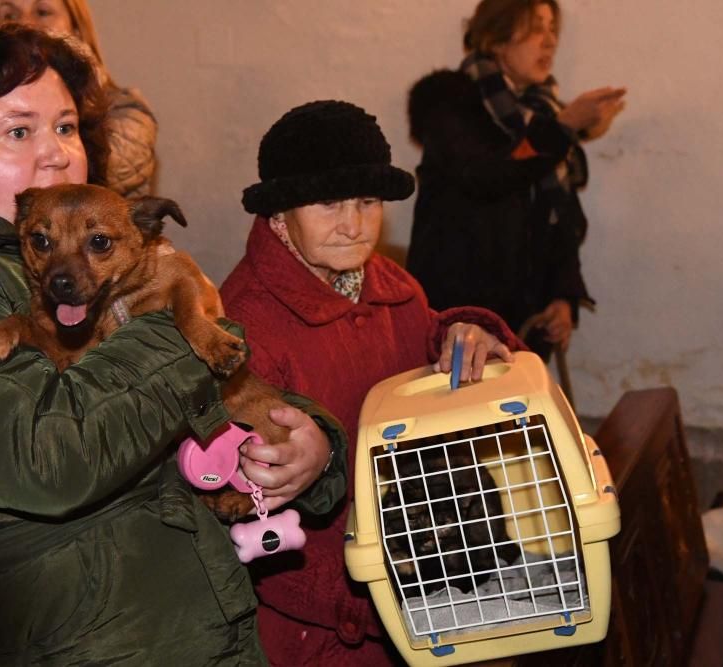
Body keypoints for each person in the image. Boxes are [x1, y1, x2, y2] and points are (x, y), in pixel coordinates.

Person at [0, 23, 345, 665]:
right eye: (19, 130)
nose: (56, 153)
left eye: (67, 127)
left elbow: (203, 402)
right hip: (71, 642)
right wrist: (178, 325)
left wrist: (313, 444)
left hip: (173, 625)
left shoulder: (42, 264)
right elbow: (54, 455)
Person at [220, 100, 525, 665]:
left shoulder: (388, 284)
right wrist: (360, 608)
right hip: (323, 624)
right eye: (329, 202)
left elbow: (429, 338)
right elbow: (245, 504)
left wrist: (466, 331)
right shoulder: (247, 327)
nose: (354, 224)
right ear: (280, 213)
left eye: (368, 201)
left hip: (417, 584)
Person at [405, 0, 625, 359]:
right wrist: (564, 128)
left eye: (553, 29)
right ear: (497, 37)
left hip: (524, 323)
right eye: (537, 27)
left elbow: (560, 213)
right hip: (456, 318)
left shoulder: (542, 112)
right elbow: (487, 175)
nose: (550, 41)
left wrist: (562, 297)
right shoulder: (447, 99)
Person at [0, 0, 158, 198]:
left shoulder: (128, 112)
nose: (25, 24)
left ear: (77, 29)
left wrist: (83, 84)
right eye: (9, 16)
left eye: (42, 12)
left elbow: (97, 173)